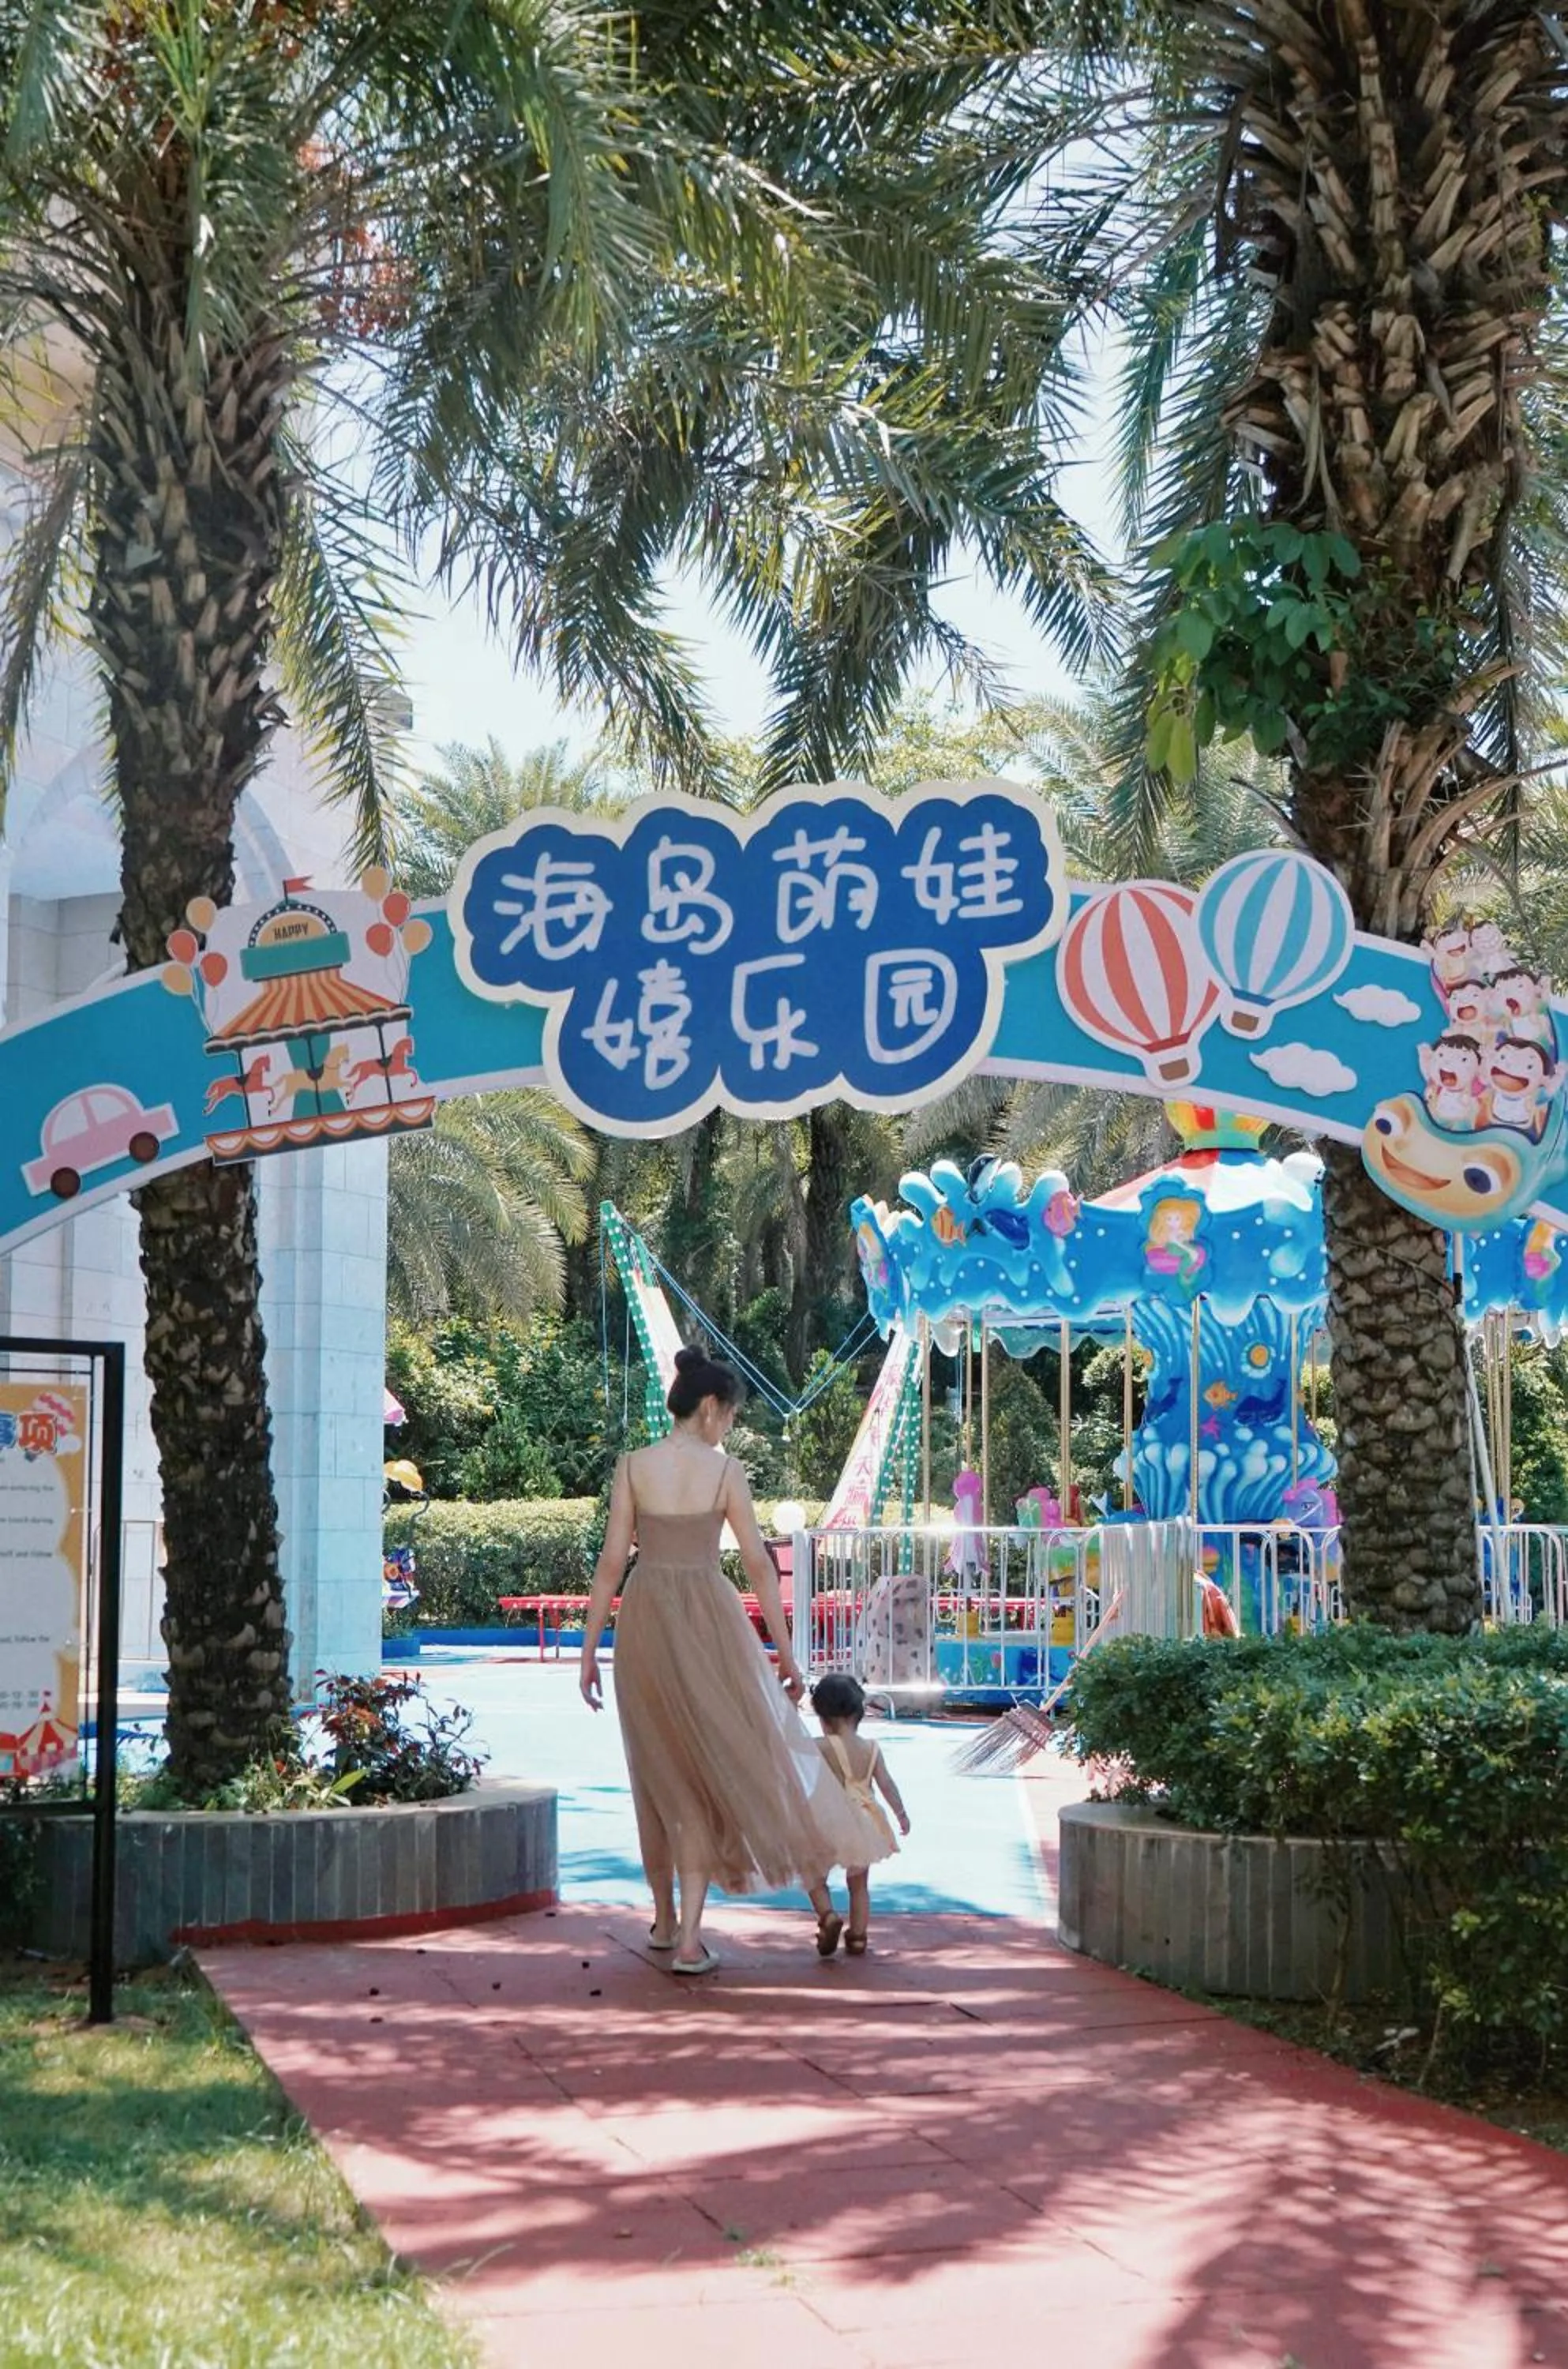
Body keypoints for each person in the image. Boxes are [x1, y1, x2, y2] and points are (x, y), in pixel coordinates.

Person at [580, 1345, 897, 1977]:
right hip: (707, 1619)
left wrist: (589, 1651)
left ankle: (669, 1921)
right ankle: (691, 1937)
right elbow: (757, 1563)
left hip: (643, 1620)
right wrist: (783, 1649)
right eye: (728, 1414)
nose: (729, 1426)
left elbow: (611, 1564)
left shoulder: (633, 1467)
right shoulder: (725, 1474)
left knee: (656, 1775)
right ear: (708, 1406)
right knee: (702, 1773)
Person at [806, 1673, 910, 1958]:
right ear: (859, 1712)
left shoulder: (822, 1746)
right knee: (859, 1884)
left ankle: (828, 1915)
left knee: (815, 1877)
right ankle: (858, 1936)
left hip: (830, 1820)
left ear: (824, 1718)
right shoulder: (872, 1749)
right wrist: (901, 1814)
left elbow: (792, 1754)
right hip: (865, 1823)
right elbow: (887, 1784)